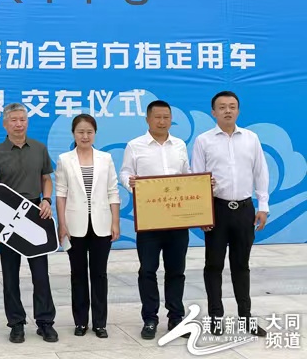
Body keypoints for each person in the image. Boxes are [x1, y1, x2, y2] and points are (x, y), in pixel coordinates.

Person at [191, 91, 269, 337]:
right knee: (213, 265)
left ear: (238, 110)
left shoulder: (251, 138)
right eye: (222, 107)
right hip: (217, 210)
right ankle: (216, 317)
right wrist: (202, 213)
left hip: (244, 210)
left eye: (232, 106)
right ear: (213, 112)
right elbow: (196, 177)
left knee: (241, 265)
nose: (228, 110)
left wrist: (263, 205)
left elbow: (261, 172)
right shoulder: (203, 141)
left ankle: (246, 317)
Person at [0, 103, 58, 344]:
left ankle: (45, 322)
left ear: (27, 122)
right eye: (14, 120)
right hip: (7, 217)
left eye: (22, 119)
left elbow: (46, 179)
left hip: (35, 215)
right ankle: (16, 324)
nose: (19, 124)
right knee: (10, 274)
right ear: (5, 124)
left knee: (41, 274)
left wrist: (47, 200)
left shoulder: (39, 148)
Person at [119, 100, 191, 340]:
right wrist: (129, 182)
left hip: (177, 218)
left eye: (166, 117)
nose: (162, 121)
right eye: (157, 117)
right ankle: (150, 318)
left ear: (171, 119)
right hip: (149, 219)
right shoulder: (135, 145)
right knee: (148, 270)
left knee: (176, 270)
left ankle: (176, 318)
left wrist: (201, 185)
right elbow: (125, 172)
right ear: (148, 119)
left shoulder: (179, 145)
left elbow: (187, 176)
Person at [54, 114, 121, 338]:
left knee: (99, 274)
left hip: (101, 223)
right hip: (75, 226)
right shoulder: (65, 159)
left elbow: (113, 191)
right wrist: (62, 224)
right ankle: (80, 321)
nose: (85, 136)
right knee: (78, 274)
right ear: (73, 134)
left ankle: (100, 323)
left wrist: (115, 221)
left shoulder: (105, 158)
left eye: (89, 132)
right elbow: (61, 194)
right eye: (80, 132)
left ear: (95, 133)